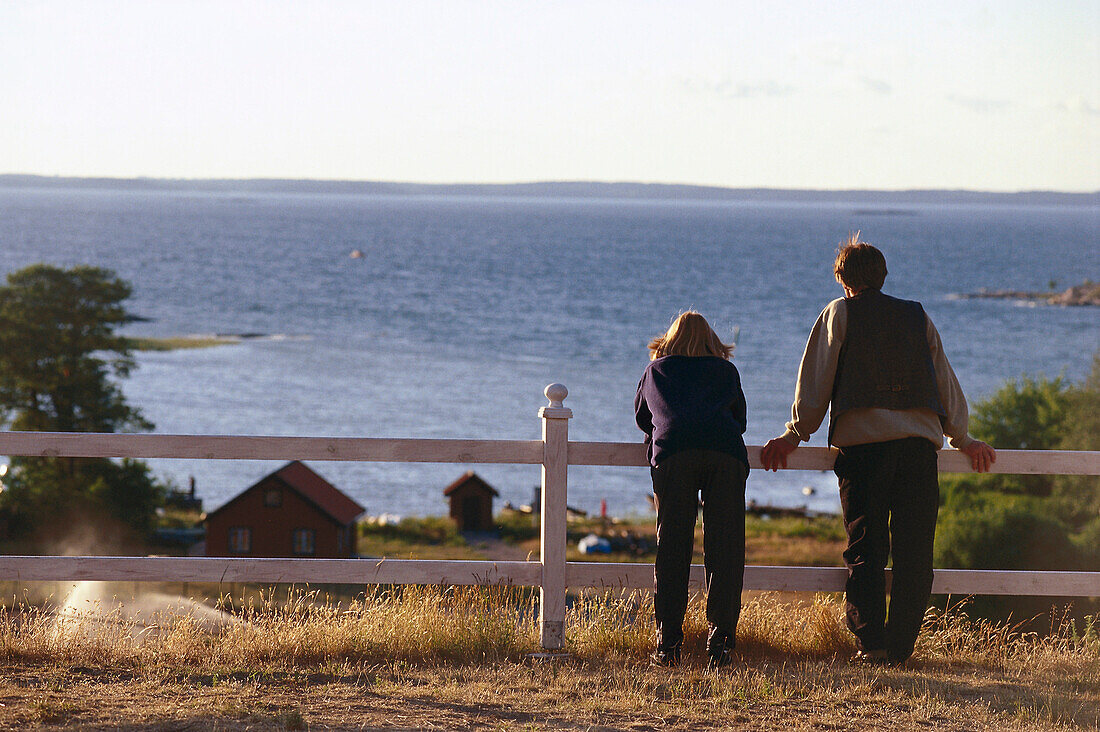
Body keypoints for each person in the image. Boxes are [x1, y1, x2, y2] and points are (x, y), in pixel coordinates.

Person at [760, 233, 996, 666]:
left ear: (842, 278)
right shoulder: (916, 316)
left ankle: (872, 643)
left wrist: (795, 433)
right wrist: (963, 438)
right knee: (914, 551)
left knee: (866, 549)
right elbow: (944, 382)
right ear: (883, 276)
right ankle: (902, 647)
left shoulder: (839, 314)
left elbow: (816, 381)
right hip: (918, 449)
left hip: (865, 450)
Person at [635, 311, 749, 668]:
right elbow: (740, 420)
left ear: (669, 339)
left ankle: (668, 645)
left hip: (675, 455)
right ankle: (721, 644)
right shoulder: (726, 372)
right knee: (725, 548)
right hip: (725, 456)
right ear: (712, 341)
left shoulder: (656, 371)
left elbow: (642, 417)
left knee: (672, 547)